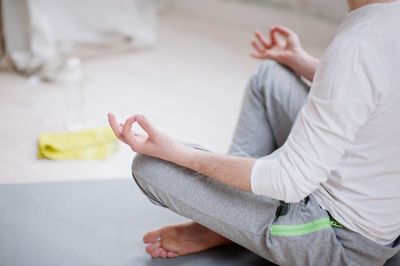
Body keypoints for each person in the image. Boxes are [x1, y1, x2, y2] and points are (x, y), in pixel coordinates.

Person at [108, 0, 400, 265]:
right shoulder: (384, 22)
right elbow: (377, 89)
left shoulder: (358, 45)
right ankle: (231, 221)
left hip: (342, 241)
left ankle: (227, 224)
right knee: (270, 78)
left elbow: (290, 180)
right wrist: (302, 62)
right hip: (369, 198)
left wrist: (179, 154)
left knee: (151, 166)